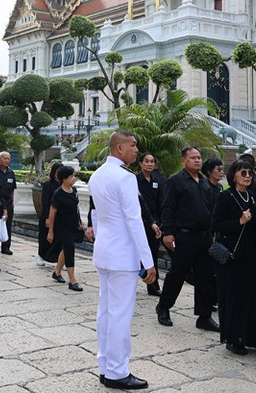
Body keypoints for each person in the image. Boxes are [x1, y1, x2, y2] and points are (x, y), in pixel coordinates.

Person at [90, 130, 156, 390]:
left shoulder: (97, 175)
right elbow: (134, 221)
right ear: (120, 148)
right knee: (119, 315)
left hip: (105, 251)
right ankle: (117, 371)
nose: (136, 149)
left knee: (106, 312)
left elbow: (97, 215)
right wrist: (148, 261)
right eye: (133, 145)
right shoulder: (125, 178)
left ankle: (106, 366)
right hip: (122, 255)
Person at [157, 146, 220, 333]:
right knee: (177, 274)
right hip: (184, 236)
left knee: (205, 277)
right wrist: (167, 232)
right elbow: (167, 208)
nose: (197, 160)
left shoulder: (205, 182)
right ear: (183, 160)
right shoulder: (176, 181)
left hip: (205, 236)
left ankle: (204, 316)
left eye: (199, 157)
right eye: (193, 158)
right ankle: (164, 307)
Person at [213, 159, 256, 355]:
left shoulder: (250, 197)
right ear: (233, 176)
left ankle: (253, 336)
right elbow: (216, 225)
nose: (247, 176)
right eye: (243, 173)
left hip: (250, 253)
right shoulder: (225, 197)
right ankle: (233, 338)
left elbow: (254, 230)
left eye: (250, 173)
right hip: (232, 255)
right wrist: (239, 221)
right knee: (235, 297)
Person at [45, 165, 84, 291]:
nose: (73, 178)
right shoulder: (58, 194)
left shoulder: (74, 191)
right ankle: (72, 280)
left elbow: (75, 207)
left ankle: (57, 272)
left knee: (66, 248)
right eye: (71, 176)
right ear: (64, 178)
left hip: (73, 224)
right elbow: (52, 212)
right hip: (62, 226)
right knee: (70, 249)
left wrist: (79, 220)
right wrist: (50, 231)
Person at [136, 153, 165, 296]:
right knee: (137, 255)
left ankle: (153, 285)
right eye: (146, 161)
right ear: (140, 163)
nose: (149, 164)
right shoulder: (134, 180)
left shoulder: (158, 180)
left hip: (155, 223)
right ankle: (141, 274)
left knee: (153, 253)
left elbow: (162, 201)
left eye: (152, 161)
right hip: (139, 222)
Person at [38, 162, 64, 268]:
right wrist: (47, 217)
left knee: (58, 239)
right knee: (44, 236)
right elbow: (45, 202)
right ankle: (40, 255)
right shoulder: (48, 185)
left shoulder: (63, 185)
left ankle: (59, 258)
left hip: (60, 217)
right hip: (48, 214)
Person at [0, 151, 17, 255]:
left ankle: (6, 247)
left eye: (8, 159)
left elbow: (12, 190)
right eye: (4, 158)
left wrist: (12, 202)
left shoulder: (11, 173)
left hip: (8, 202)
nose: (6, 160)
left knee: (8, 225)